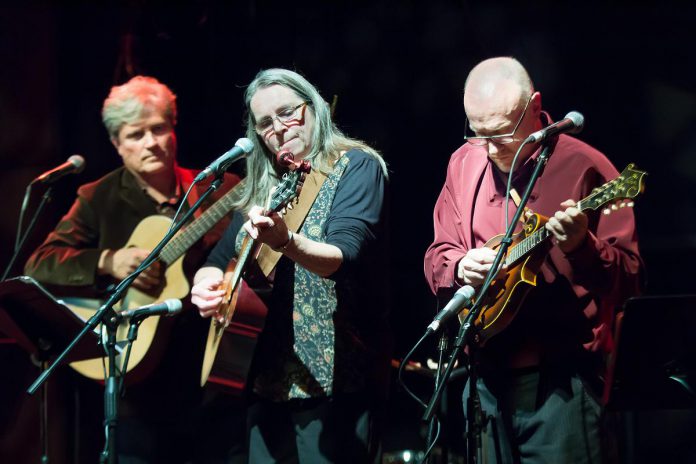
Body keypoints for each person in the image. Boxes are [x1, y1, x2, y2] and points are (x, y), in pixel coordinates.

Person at [423, 57, 644, 463]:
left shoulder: (586, 166)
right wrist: (458, 266)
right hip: (483, 381)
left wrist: (583, 246)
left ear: (536, 105)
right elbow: (438, 253)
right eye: (478, 133)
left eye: (503, 132)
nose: (490, 148)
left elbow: (630, 278)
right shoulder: (464, 161)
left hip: (563, 384)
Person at [24, 75, 245, 463]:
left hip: (211, 376)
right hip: (138, 387)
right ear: (116, 145)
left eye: (159, 128)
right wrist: (109, 261)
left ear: (174, 129)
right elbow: (40, 263)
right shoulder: (97, 197)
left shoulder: (219, 188)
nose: (151, 142)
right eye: (136, 134)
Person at [190, 68, 391, 464]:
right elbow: (215, 261)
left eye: (288, 113)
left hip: (335, 383)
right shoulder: (265, 187)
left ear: (313, 108)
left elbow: (342, 255)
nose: (279, 128)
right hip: (263, 379)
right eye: (265, 123)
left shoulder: (353, 165)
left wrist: (285, 241)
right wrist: (208, 286)